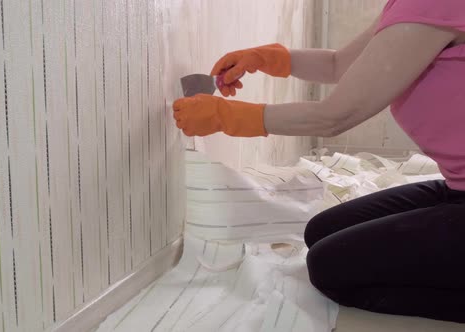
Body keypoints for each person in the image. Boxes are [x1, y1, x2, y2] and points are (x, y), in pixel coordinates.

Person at [172, 0, 465, 324]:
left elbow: (335, 116)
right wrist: (266, 58)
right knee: (320, 232)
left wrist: (229, 117)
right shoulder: (407, 5)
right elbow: (337, 65)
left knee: (330, 268)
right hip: (456, 188)